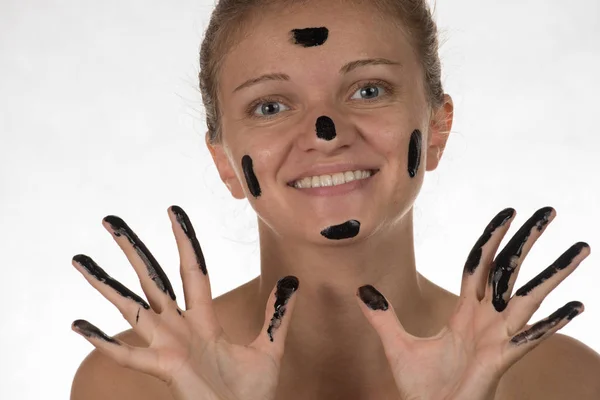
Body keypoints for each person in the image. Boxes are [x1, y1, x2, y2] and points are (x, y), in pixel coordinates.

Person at [69, 0, 600, 399]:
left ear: (436, 127)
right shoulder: (130, 384)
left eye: (368, 90)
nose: (325, 132)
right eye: (271, 105)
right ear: (225, 162)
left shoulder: (565, 381)